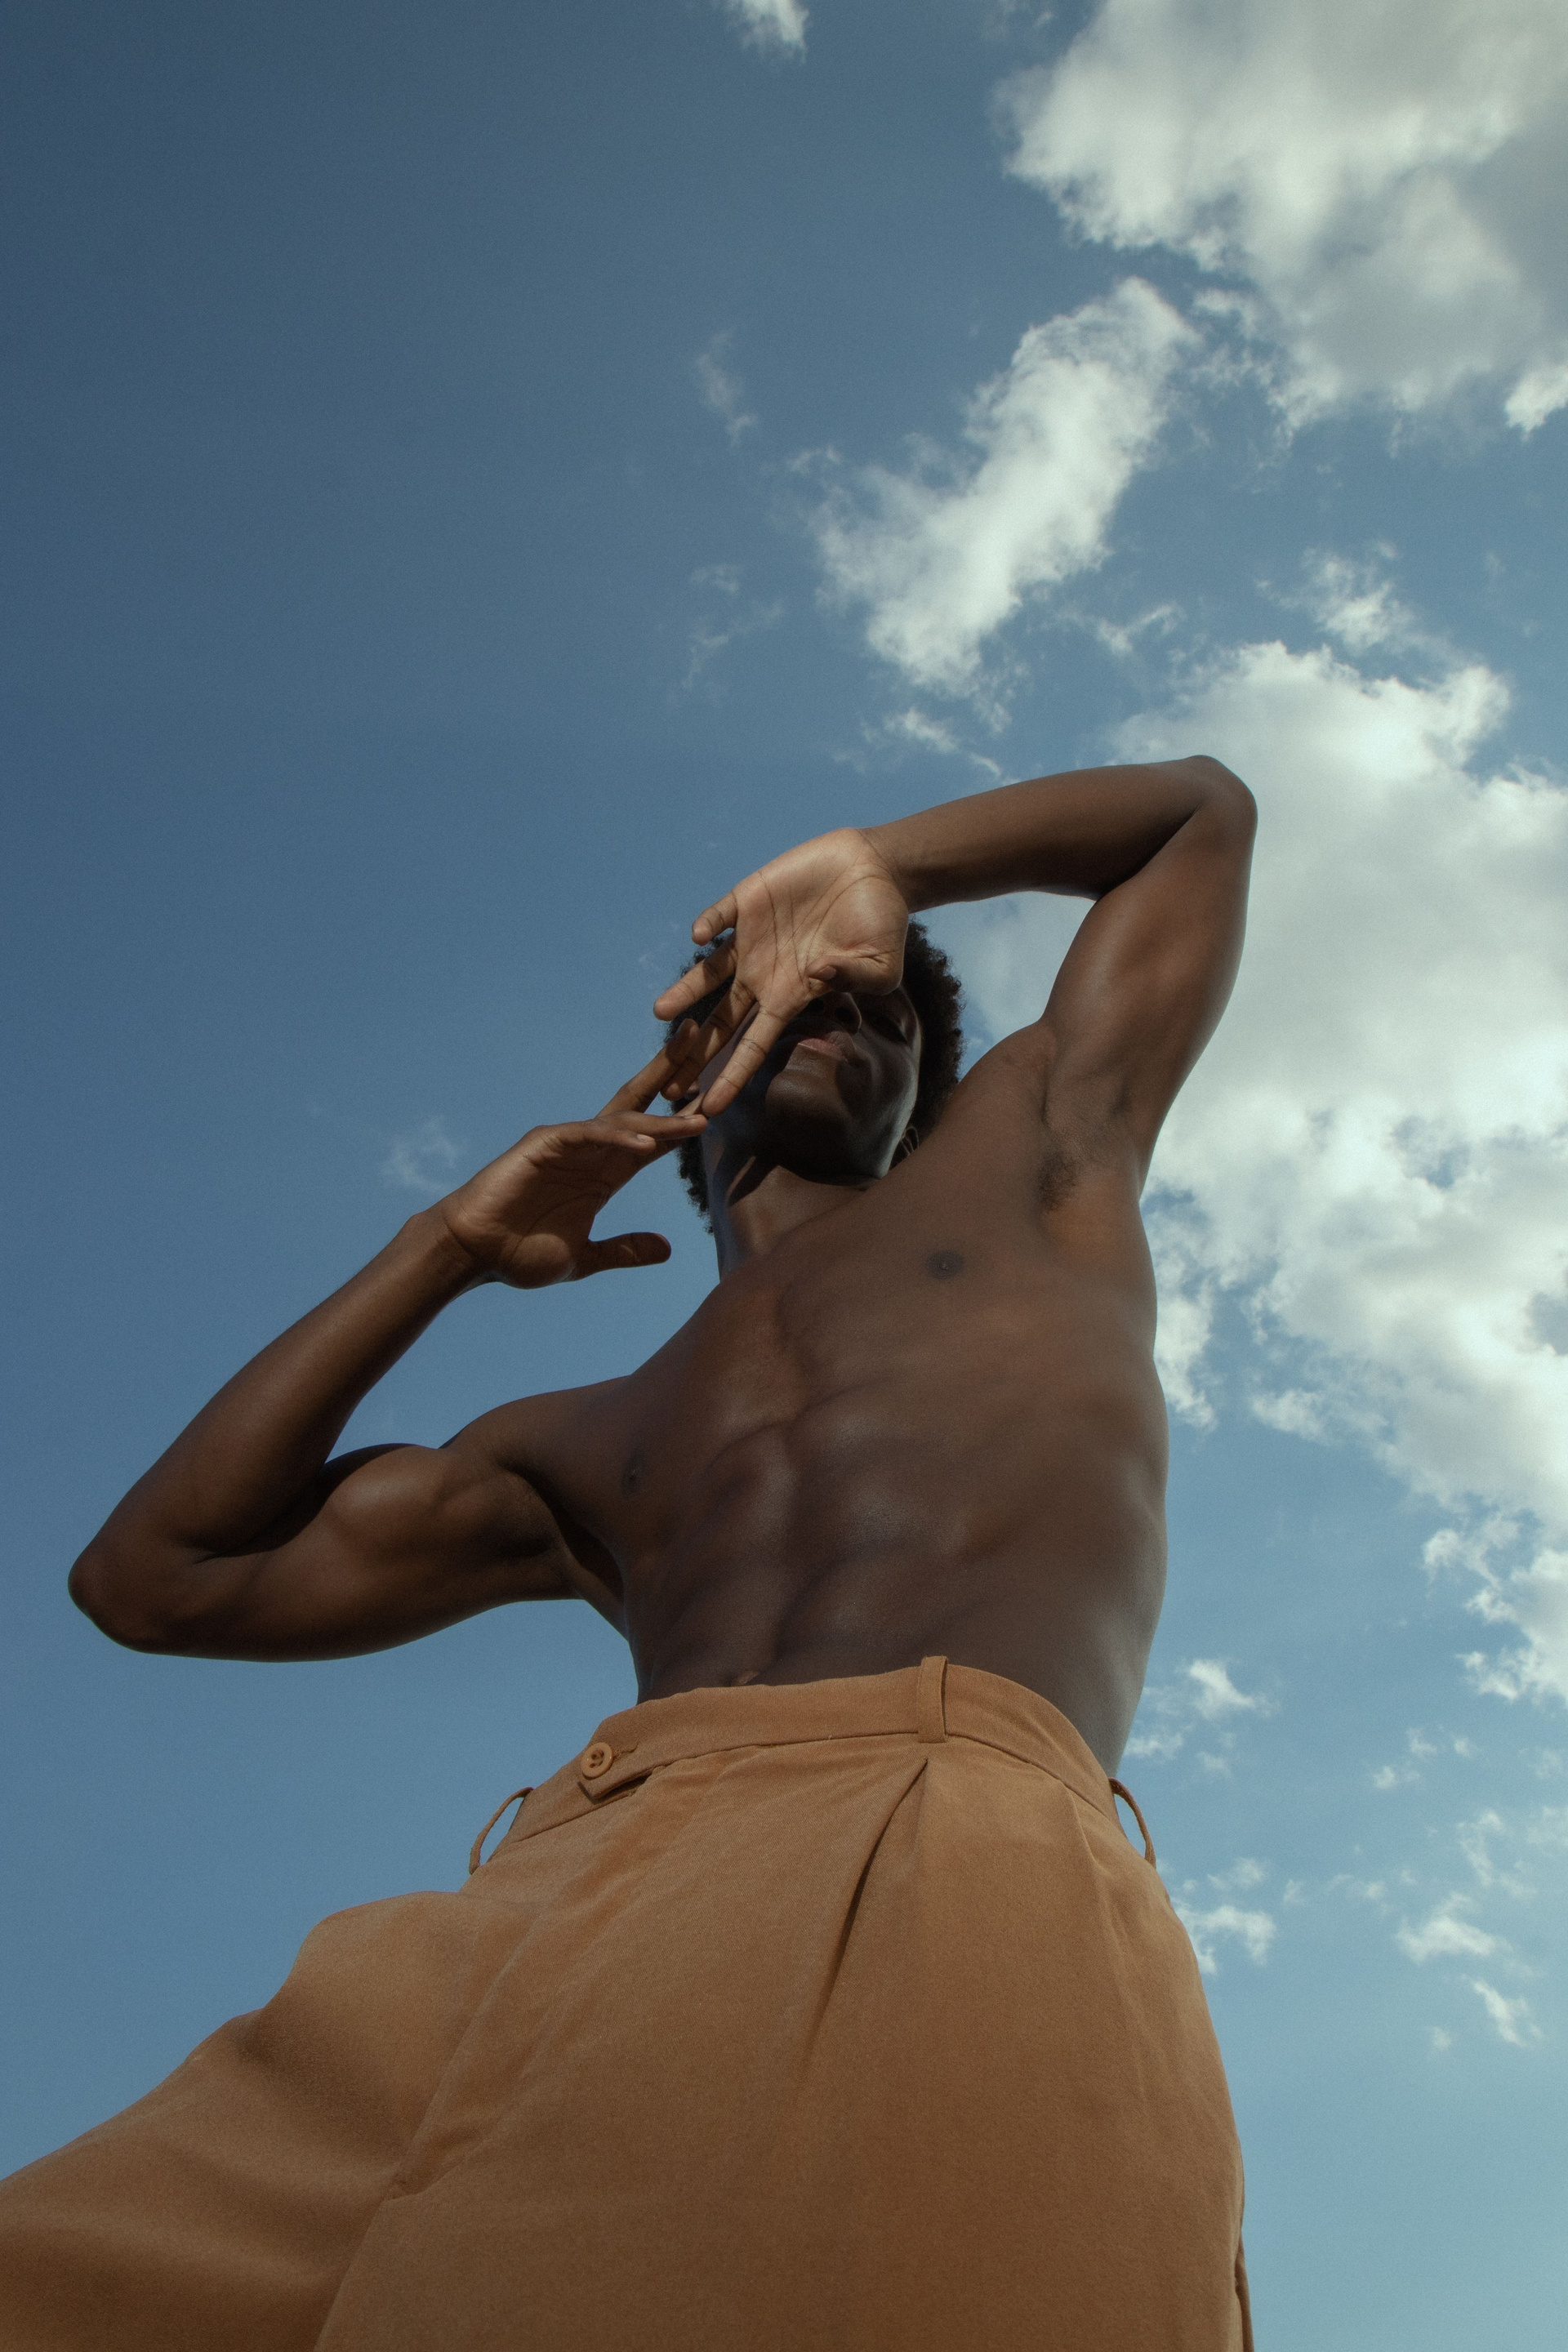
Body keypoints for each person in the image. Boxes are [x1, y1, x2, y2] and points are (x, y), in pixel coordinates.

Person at [0, 760, 1258, 2350]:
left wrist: (878, 868)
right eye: (777, 998)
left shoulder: (1030, 1168)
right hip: (550, 1890)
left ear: (918, 1091)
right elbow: (155, 1578)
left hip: (938, 1841)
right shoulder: (578, 1438)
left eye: (874, 1011)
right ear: (685, 1065)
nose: (830, 1012)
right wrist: (444, 1250)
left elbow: (1196, 819)